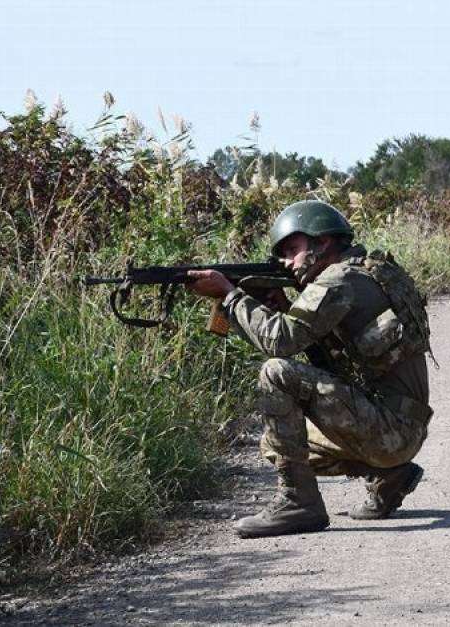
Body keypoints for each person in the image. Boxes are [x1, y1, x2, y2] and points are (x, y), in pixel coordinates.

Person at [185, 200, 433, 538]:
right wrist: (285, 307)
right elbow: (337, 360)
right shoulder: (366, 271)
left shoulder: (337, 280)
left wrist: (229, 296)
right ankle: (391, 475)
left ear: (323, 242)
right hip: (398, 428)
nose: (286, 262)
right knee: (274, 444)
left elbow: (281, 343)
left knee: (275, 372)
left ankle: (299, 504)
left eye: (291, 249)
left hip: (390, 431)